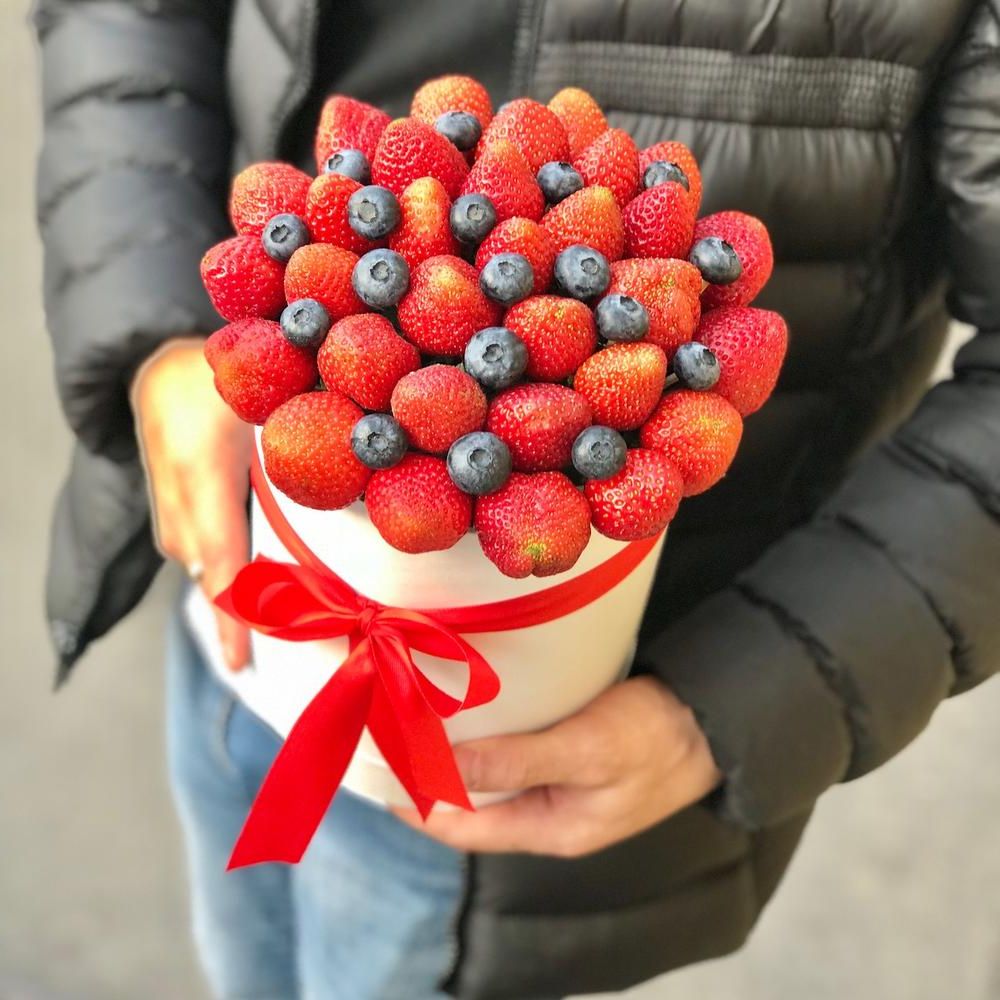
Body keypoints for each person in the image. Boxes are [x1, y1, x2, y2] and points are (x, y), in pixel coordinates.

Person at [32, 1, 1000, 998]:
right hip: (244, 595)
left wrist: (754, 689)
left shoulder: (597, 339)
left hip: (554, 749)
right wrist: (151, 321)